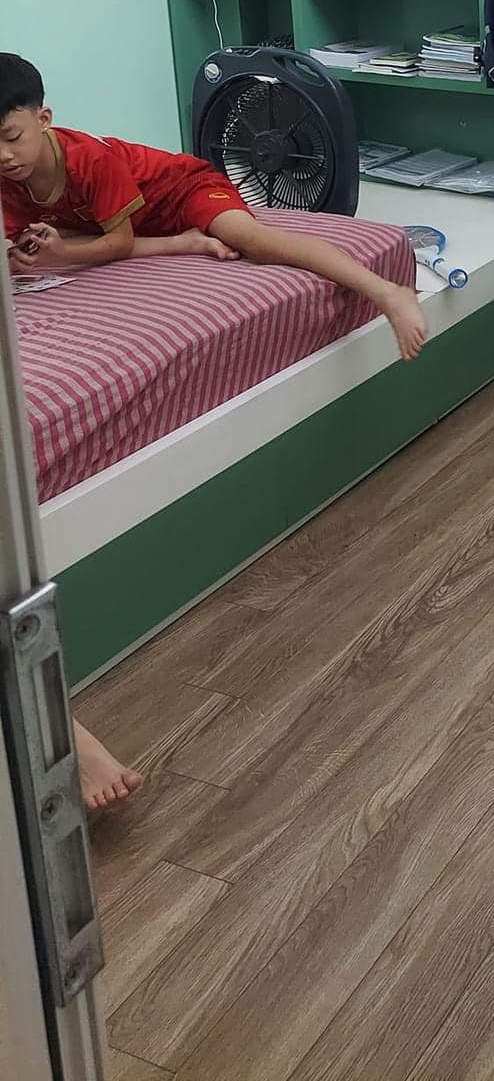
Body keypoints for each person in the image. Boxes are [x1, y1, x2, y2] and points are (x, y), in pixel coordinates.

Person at [0, 52, 427, 809]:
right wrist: (40, 255)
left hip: (179, 195)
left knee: (253, 238)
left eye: (11, 138)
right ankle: (189, 247)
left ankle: (384, 287)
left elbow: (113, 246)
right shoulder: (8, 180)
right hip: (124, 232)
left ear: (45, 119)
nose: (4, 156)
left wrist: (62, 254)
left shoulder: (90, 159)